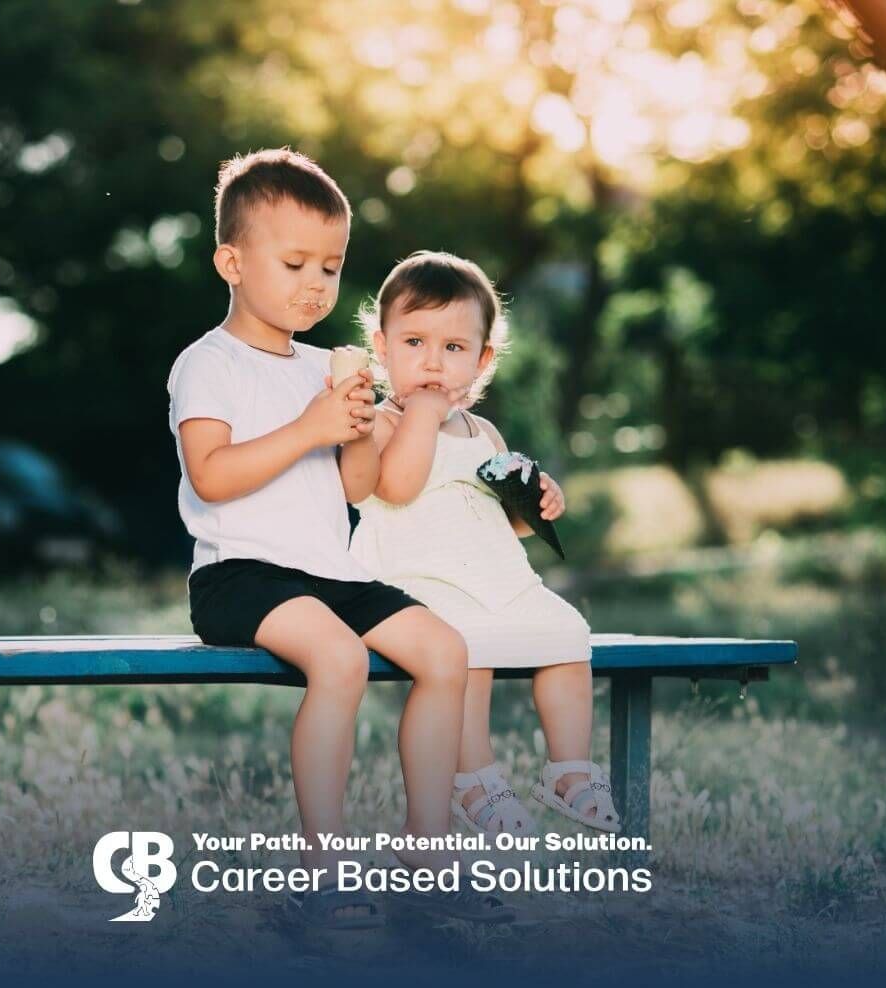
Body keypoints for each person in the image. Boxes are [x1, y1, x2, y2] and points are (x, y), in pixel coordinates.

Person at [167, 152, 513, 929]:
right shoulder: (207, 363)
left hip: (327, 572)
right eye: (293, 263)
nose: (315, 283)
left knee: (445, 651)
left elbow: (354, 486)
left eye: (330, 265)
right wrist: (307, 428)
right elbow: (212, 477)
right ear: (231, 261)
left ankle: (427, 859)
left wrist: (353, 419)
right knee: (340, 657)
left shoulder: (327, 365)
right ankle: (320, 868)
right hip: (239, 576)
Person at [350, 250, 621, 838]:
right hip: (414, 584)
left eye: (453, 349)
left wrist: (536, 502)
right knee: (464, 648)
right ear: (382, 348)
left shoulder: (482, 431)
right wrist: (421, 415)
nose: (432, 363)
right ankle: (472, 778)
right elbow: (395, 489)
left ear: (481, 360)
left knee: (568, 633)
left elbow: (499, 518)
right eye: (415, 342)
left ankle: (569, 770)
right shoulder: (380, 423)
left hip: (497, 577)